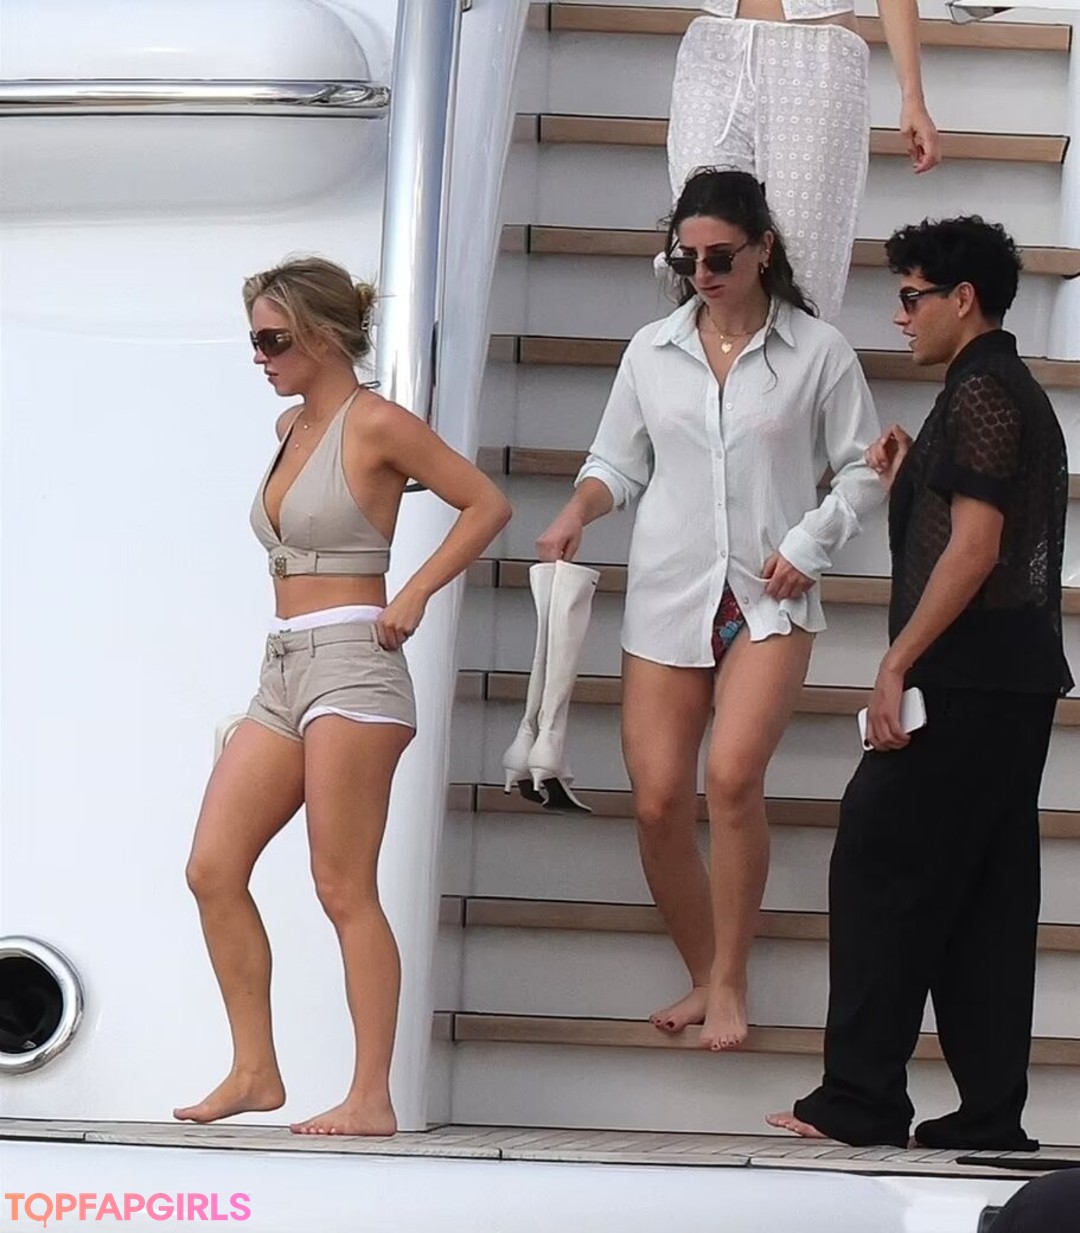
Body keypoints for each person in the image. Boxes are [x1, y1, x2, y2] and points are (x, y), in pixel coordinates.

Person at [537, 169, 884, 1050]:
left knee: (730, 777)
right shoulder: (651, 351)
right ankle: (703, 969)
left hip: (769, 596)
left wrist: (810, 544)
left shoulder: (819, 351)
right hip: (669, 590)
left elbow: (865, 467)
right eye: (685, 258)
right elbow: (616, 462)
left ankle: (731, 980)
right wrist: (578, 510)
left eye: (720, 256)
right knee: (658, 801)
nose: (701, 273)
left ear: (763, 249)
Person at [173, 256, 511, 1136]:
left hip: (356, 663)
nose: (260, 356)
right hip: (283, 664)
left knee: (342, 883)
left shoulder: (379, 423)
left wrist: (416, 591)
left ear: (324, 336)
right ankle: (255, 1069)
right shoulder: (291, 424)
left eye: (273, 340)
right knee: (213, 866)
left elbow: (485, 503)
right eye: (255, 340)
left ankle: (371, 1095)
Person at [770, 217, 1074, 1149]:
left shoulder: (984, 392)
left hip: (968, 676)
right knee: (985, 893)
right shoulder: (998, 389)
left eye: (911, 297)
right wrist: (912, 475)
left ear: (962, 298)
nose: (900, 316)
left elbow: (977, 548)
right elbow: (975, 524)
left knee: (879, 861)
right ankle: (989, 1113)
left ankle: (861, 1097)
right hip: (1010, 680)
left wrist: (896, 662)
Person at [666, 0, 942, 322]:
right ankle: (709, 352)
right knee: (701, 232)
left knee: (805, 258)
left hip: (817, 51)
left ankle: (797, 354)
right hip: (713, 48)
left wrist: (912, 97)